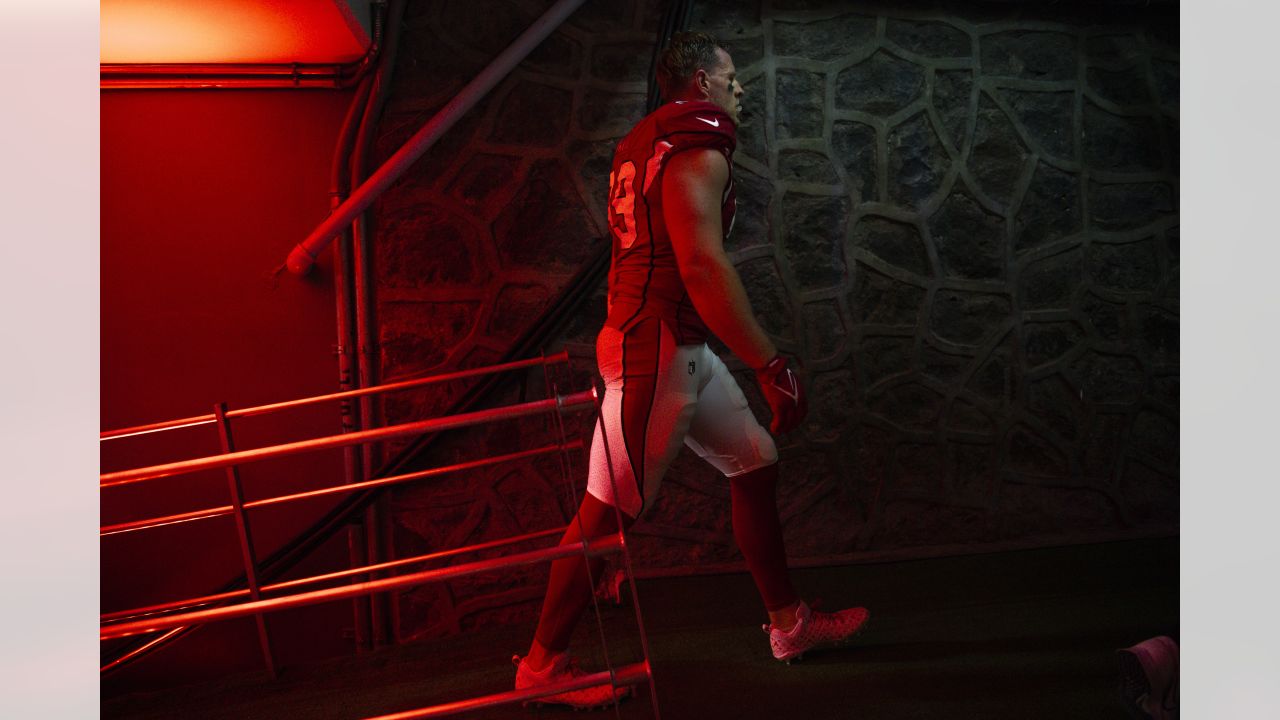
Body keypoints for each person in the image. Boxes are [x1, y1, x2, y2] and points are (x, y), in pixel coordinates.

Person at [512, 31, 870, 710]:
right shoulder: (695, 145)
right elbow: (702, 264)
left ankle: (789, 623)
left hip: (671, 343)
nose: (741, 89)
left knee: (756, 459)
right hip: (658, 347)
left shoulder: (645, 139)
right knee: (603, 519)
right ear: (700, 82)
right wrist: (771, 360)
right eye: (730, 78)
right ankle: (542, 667)